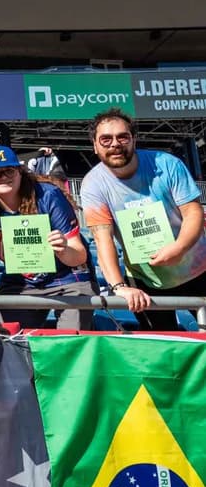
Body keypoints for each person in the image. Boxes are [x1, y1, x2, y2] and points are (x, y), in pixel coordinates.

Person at [81, 108, 206, 331]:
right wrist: (119, 286)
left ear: (134, 139)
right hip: (146, 281)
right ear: (95, 145)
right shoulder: (93, 184)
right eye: (106, 139)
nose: (115, 144)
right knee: (162, 344)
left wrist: (179, 247)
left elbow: (193, 212)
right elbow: (102, 239)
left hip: (199, 269)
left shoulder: (167, 164)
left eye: (122, 137)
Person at [0, 145, 97, 330]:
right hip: (22, 280)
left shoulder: (48, 196)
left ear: (20, 172)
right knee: (2, 334)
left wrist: (63, 250)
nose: (3, 176)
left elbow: (79, 255)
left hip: (67, 276)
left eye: (9, 170)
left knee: (70, 335)